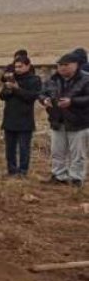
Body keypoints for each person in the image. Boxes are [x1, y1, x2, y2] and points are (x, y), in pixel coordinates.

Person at [39, 52, 89, 186]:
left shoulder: (86, 79)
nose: (62, 68)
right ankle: (59, 176)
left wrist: (72, 102)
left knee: (77, 153)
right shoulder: (53, 79)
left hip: (78, 122)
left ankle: (76, 178)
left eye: (66, 65)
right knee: (57, 152)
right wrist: (44, 99)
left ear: (76, 65)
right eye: (60, 65)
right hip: (57, 120)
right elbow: (42, 93)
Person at [0, 55, 41, 177]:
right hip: (10, 117)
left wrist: (17, 89)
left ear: (28, 66)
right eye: (16, 67)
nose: (17, 69)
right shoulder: (11, 79)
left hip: (25, 119)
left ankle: (23, 171)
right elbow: (1, 96)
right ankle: (11, 170)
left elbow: (31, 97)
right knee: (10, 148)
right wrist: (8, 89)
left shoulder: (34, 80)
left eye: (20, 66)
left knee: (24, 148)